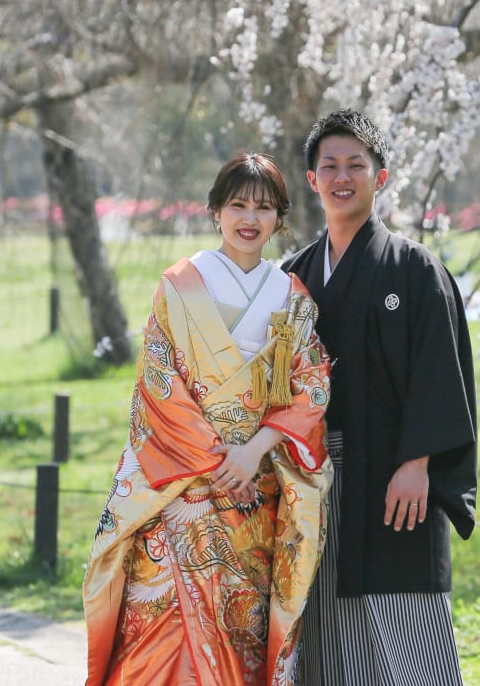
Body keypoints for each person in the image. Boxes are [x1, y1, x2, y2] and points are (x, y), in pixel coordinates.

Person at [84, 153, 333, 686]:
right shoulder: (180, 284)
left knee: (241, 634)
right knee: (165, 629)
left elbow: (311, 386)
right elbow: (159, 382)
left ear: (280, 219)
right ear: (215, 210)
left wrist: (254, 450)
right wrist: (218, 461)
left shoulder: (292, 297)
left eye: (264, 208)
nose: (250, 218)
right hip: (184, 491)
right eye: (237, 204)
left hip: (255, 491)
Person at [283, 109, 477, 686]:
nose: (343, 177)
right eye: (330, 167)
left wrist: (418, 463)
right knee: (328, 628)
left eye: (356, 165)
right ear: (312, 180)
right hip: (313, 479)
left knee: (408, 630)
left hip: (395, 474)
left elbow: (440, 373)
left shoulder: (416, 269)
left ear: (381, 177)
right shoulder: (294, 276)